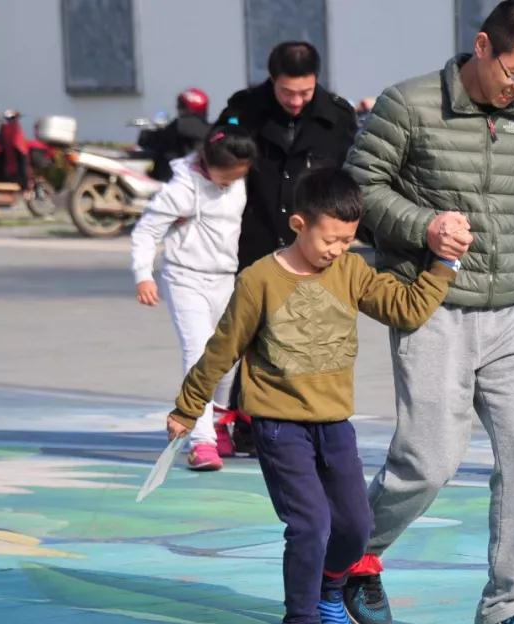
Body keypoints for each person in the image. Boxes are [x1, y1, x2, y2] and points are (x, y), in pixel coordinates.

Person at [166, 167, 459, 624]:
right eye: (330, 239)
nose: (338, 250)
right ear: (299, 224)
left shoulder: (351, 271)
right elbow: (222, 350)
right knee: (310, 524)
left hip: (334, 425)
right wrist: (189, 406)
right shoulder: (259, 280)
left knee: (355, 525)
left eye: (348, 240)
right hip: (279, 425)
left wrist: (444, 264)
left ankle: (330, 588)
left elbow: (405, 309)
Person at [343, 0, 514, 624]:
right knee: (429, 461)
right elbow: (360, 186)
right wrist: (426, 227)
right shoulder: (408, 104)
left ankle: (507, 607)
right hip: (434, 306)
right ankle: (352, 555)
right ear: (484, 46)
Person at [216, 41, 359, 453]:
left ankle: (292, 421)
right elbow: (219, 160)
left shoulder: (337, 116)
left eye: (304, 92)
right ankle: (241, 418)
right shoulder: (245, 109)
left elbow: (352, 176)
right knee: (250, 332)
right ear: (272, 80)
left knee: (301, 333)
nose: (295, 101)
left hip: (311, 244)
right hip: (256, 236)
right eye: (286, 92)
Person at [131, 126, 258, 470]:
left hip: (224, 277)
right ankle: (201, 442)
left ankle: (217, 422)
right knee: (200, 354)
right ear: (208, 164)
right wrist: (143, 275)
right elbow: (146, 231)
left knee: (229, 355)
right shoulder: (181, 190)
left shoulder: (238, 183)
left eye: (239, 176)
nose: (231, 183)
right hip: (185, 277)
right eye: (226, 176)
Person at [138, 88, 211, 182]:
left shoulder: (178, 125)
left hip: (175, 182)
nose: (178, 108)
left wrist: (146, 130)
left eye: (181, 105)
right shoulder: (212, 130)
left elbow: (147, 141)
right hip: (203, 182)